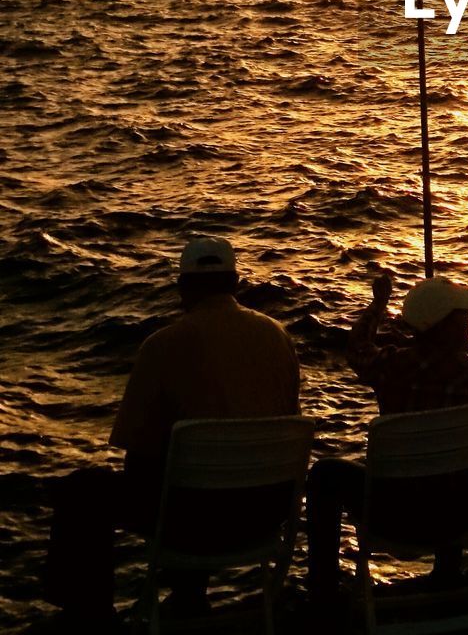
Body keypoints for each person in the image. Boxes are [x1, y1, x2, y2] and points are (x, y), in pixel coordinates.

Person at [44, 236, 300, 626]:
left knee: (86, 489)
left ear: (183, 288)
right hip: (265, 516)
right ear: (236, 282)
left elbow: (138, 453)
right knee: (197, 474)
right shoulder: (278, 338)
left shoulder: (162, 346)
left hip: (192, 525)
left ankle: (89, 618)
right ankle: (188, 599)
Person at [306, 272, 468, 599]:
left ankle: (323, 591)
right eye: (464, 316)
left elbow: (357, 349)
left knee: (324, 473)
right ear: (445, 325)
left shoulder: (389, 365)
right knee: (450, 469)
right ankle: (446, 573)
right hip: (457, 518)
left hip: (393, 516)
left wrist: (378, 304)